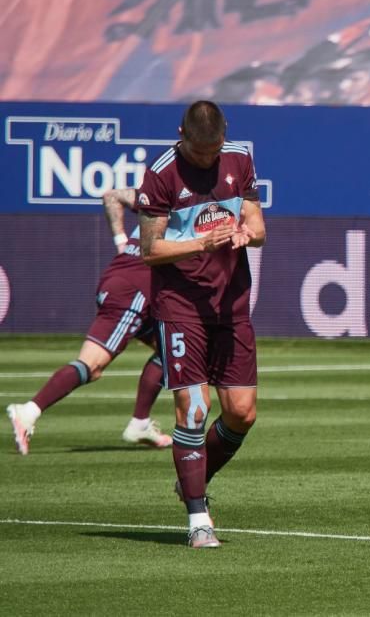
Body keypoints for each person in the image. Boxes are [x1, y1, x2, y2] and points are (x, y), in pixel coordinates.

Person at [136, 100, 266, 549]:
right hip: (181, 304)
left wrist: (247, 233)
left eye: (214, 150)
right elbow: (149, 250)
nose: (209, 159)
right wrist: (200, 243)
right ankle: (198, 519)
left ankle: (191, 476)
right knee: (193, 409)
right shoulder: (162, 173)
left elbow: (258, 225)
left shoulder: (239, 158)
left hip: (230, 303)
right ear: (182, 135)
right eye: (200, 151)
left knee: (242, 413)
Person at [6, 189, 172, 455]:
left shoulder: (156, 195)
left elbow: (111, 196)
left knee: (170, 349)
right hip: (134, 293)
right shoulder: (186, 203)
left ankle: (139, 423)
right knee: (92, 367)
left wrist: (121, 244)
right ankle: (28, 411)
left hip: (123, 282)